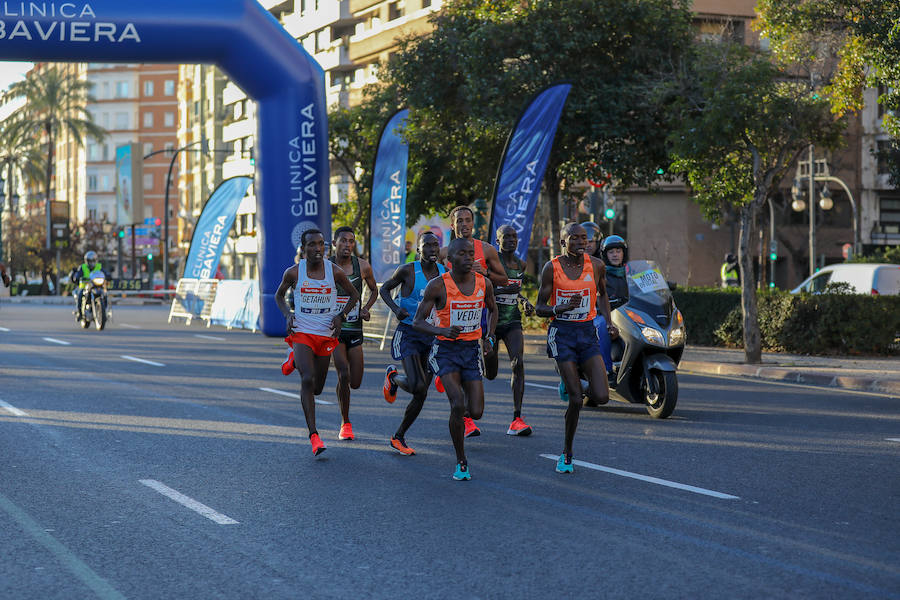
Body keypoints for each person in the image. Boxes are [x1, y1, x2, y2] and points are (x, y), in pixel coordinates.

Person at [414, 237, 497, 480]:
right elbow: (418, 321)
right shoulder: (438, 286)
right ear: (449, 261)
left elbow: (493, 309)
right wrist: (441, 330)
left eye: (471, 253)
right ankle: (461, 461)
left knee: (476, 412)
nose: (469, 258)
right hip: (445, 350)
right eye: (462, 254)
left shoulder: (484, 283)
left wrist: (489, 337)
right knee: (457, 404)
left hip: (470, 350)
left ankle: (448, 384)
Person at [275, 228, 360, 457]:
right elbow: (278, 296)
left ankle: (293, 359)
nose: (317, 249)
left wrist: (341, 316)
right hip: (302, 332)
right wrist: (288, 315)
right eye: (312, 245)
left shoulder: (335, 271)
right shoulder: (294, 272)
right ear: (303, 249)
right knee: (307, 379)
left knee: (318, 388)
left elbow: (354, 295)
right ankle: (314, 435)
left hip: (325, 333)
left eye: (321, 244)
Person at [536, 223, 612, 474]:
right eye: (575, 238)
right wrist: (561, 308)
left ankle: (574, 375)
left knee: (601, 396)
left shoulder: (597, 265)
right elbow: (539, 308)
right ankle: (566, 453)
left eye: (585, 239)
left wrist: (609, 322)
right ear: (563, 242)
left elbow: (602, 294)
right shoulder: (552, 268)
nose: (582, 242)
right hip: (563, 334)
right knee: (577, 399)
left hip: (588, 333)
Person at [440, 205, 508, 438]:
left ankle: (467, 409)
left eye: (468, 220)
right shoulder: (444, 253)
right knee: (456, 368)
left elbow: (504, 279)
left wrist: (485, 273)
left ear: (473, 223)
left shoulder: (486, 250)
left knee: (490, 369)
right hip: (450, 321)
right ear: (453, 225)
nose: (464, 225)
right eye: (459, 221)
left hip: (480, 313)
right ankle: (464, 418)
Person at [380, 231, 446, 455]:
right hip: (408, 333)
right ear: (418, 250)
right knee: (417, 385)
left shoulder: (445, 273)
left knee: (421, 393)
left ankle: (398, 437)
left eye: (435, 245)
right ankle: (394, 379)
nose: (432, 249)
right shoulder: (408, 270)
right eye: (426, 246)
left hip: (431, 335)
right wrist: (396, 309)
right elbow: (384, 289)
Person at [482, 225, 535, 436]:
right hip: (491, 323)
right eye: (506, 237)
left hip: (512, 321)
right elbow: (485, 288)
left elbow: (515, 293)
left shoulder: (521, 264)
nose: (511, 240)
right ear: (498, 241)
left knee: (518, 363)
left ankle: (517, 418)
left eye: (514, 236)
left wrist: (524, 302)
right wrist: (505, 289)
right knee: (491, 374)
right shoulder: (492, 263)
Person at [329, 226, 379, 441]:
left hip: (355, 329)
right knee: (344, 373)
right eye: (343, 241)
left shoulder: (363, 266)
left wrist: (366, 307)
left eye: (351, 241)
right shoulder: (326, 266)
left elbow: (374, 289)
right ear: (334, 243)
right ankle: (345, 422)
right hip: (335, 330)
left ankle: (345, 390)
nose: (348, 245)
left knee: (355, 381)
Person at [72, 251, 103, 320]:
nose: (91, 263)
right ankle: (80, 313)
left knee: (104, 294)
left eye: (93, 261)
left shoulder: (99, 266)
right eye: (90, 261)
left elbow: (104, 272)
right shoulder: (82, 267)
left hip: (96, 286)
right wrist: (77, 276)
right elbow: (78, 274)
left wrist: (108, 275)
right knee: (80, 295)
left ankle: (103, 309)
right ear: (86, 261)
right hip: (85, 286)